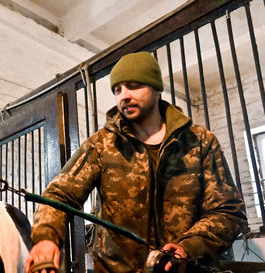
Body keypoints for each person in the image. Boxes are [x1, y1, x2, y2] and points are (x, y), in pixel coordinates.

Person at [25, 52, 247, 273]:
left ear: (156, 88)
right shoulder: (101, 145)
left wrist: (190, 246)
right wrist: (46, 238)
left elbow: (227, 210)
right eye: (118, 90)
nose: (124, 96)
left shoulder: (199, 142)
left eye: (134, 86)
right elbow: (59, 195)